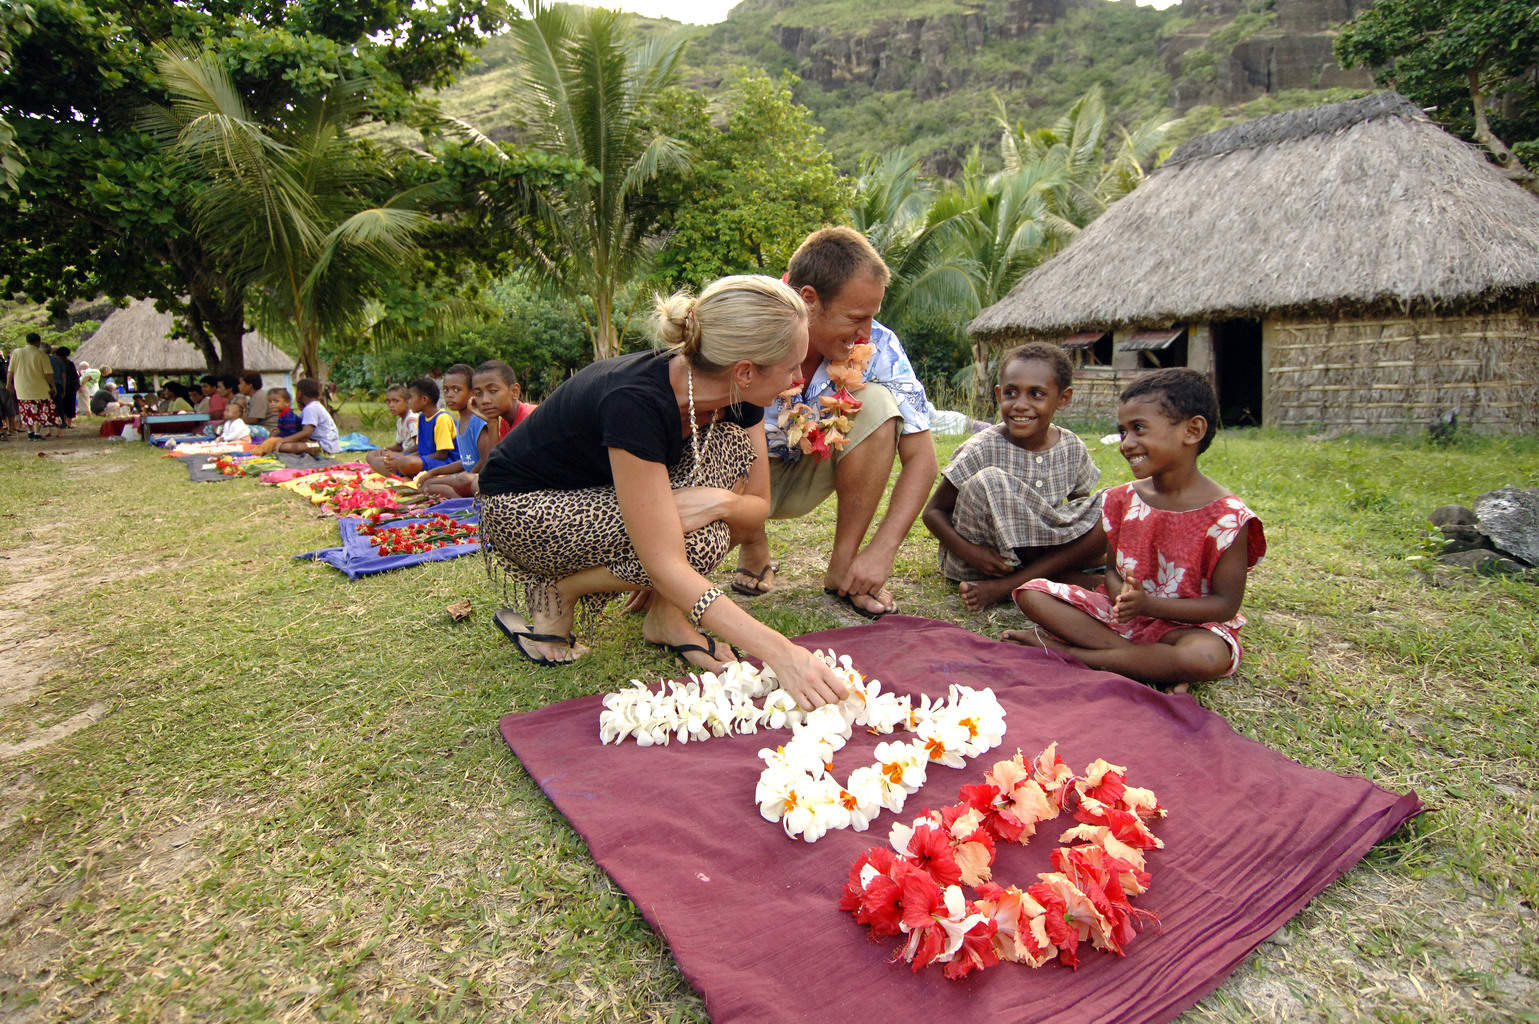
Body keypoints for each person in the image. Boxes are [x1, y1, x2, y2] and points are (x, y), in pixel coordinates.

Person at [476, 274, 848, 709]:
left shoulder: (740, 395)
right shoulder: (635, 401)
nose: (797, 382)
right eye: (792, 367)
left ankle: (665, 617)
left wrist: (721, 501)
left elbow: (756, 509)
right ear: (745, 370)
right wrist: (784, 655)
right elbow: (666, 563)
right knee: (692, 544)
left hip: (599, 492)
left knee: (713, 502)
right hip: (525, 508)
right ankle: (561, 590)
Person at [1003, 368, 1266, 691]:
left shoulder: (1229, 518)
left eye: (1138, 429)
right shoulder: (1122, 500)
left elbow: (1225, 605)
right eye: (1123, 431)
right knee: (1032, 593)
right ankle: (1149, 663)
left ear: (1193, 430)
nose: (1127, 443)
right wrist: (1121, 596)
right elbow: (1113, 570)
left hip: (1187, 627)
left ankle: (1074, 654)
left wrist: (1150, 606)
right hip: (1124, 617)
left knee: (1207, 657)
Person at [737, 227, 938, 619]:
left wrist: (882, 551)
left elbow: (923, 459)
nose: (866, 333)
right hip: (733, 483)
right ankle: (751, 541)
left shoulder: (877, 344)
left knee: (879, 403)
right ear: (808, 300)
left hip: (808, 473)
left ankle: (845, 568)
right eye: (856, 317)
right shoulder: (747, 327)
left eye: (872, 317)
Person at [922, 343, 1105, 611]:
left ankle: (1037, 578)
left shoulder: (1072, 446)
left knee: (1112, 505)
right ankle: (1040, 579)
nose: (1021, 405)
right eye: (1011, 393)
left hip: (1039, 550)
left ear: (1063, 399)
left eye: (1037, 394)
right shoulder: (984, 447)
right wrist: (973, 554)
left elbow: (1078, 516)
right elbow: (933, 513)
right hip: (990, 558)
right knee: (992, 480)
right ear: (999, 394)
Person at [417, 364, 486, 498]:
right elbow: (466, 461)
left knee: (458, 480)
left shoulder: (478, 421)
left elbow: (486, 459)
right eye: (446, 390)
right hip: (465, 478)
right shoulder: (460, 422)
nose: (449, 395)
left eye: (456, 390)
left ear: (472, 392)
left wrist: (464, 477)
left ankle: (463, 501)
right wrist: (434, 472)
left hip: (478, 480)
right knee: (428, 483)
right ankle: (461, 498)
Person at [377, 377, 456, 477]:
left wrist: (403, 460)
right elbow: (421, 449)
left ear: (424, 399)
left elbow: (441, 455)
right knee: (375, 458)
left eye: (410, 398)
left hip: (445, 463)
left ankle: (402, 471)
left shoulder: (442, 418)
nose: (408, 402)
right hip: (424, 459)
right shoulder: (421, 417)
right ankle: (402, 471)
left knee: (406, 463)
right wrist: (400, 458)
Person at [263, 378, 340, 454]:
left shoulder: (311, 408)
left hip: (323, 446)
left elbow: (306, 433)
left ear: (299, 393)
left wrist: (283, 440)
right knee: (281, 444)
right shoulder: (313, 406)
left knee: (284, 446)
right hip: (326, 443)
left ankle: (318, 451)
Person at [7, 333, 57, 440]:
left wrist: (8, 384)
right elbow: (48, 374)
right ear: (38, 342)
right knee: (39, 410)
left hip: (21, 387)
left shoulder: (16, 353)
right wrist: (53, 386)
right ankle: (37, 433)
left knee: (26, 410)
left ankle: (30, 432)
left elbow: (10, 371)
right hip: (39, 388)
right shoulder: (41, 355)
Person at [365, 384, 418, 476]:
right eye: (388, 402)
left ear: (407, 402)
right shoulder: (400, 421)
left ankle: (398, 474)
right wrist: (384, 450)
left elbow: (419, 446)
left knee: (377, 461)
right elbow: (399, 445)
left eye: (396, 401)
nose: (391, 405)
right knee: (371, 455)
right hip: (404, 454)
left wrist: (400, 454)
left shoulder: (411, 420)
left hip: (412, 457)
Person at [51, 345, 80, 427]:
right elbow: (75, 376)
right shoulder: (69, 363)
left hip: (63, 387)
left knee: (62, 405)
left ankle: (64, 422)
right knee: (69, 405)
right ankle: (68, 422)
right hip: (70, 387)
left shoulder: (57, 363)